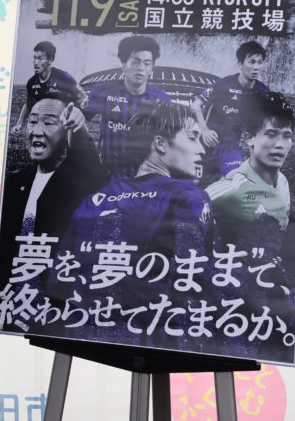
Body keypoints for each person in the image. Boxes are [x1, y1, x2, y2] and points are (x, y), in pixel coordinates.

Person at [65, 101, 218, 345]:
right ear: (160, 144)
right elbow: (195, 278)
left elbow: (61, 279)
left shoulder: (94, 200)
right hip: (153, 339)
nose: (201, 149)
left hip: (88, 337)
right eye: (192, 137)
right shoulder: (188, 196)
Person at [0, 92, 104, 297]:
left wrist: (79, 130)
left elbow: (89, 168)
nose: (37, 131)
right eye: (32, 121)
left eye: (49, 123)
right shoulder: (14, 183)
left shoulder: (82, 183)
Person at [206, 91, 293, 257]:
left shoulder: (282, 181)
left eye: (287, 136)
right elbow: (185, 214)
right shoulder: (232, 188)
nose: (280, 145)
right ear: (249, 138)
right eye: (271, 134)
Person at [82, 35, 171, 175]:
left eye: (147, 63)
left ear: (152, 68)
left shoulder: (161, 99)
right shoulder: (103, 92)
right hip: (109, 175)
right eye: (135, 62)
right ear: (124, 65)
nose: (140, 68)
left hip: (144, 177)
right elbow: (80, 117)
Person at [191, 40, 270, 178]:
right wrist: (204, 130)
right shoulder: (224, 84)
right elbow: (195, 105)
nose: (256, 67)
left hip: (231, 148)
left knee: (234, 182)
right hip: (206, 144)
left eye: (260, 62)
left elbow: (268, 122)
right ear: (240, 64)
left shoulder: (263, 92)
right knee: (194, 184)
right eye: (251, 62)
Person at [11, 41, 88, 134]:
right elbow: (28, 103)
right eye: (34, 58)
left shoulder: (63, 77)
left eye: (40, 58)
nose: (35, 62)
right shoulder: (32, 82)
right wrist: (19, 123)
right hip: (49, 126)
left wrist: (78, 116)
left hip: (68, 124)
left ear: (50, 59)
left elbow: (82, 97)